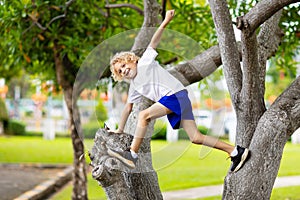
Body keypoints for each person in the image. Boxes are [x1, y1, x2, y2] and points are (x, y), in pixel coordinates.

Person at [108, 10, 249, 172]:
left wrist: (166, 21)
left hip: (175, 96)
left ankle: (132, 155)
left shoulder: (144, 63)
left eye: (125, 65)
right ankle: (236, 151)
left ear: (132, 60)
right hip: (177, 100)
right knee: (196, 138)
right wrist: (119, 129)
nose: (124, 70)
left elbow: (154, 42)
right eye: (120, 71)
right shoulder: (134, 86)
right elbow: (128, 107)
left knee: (143, 115)